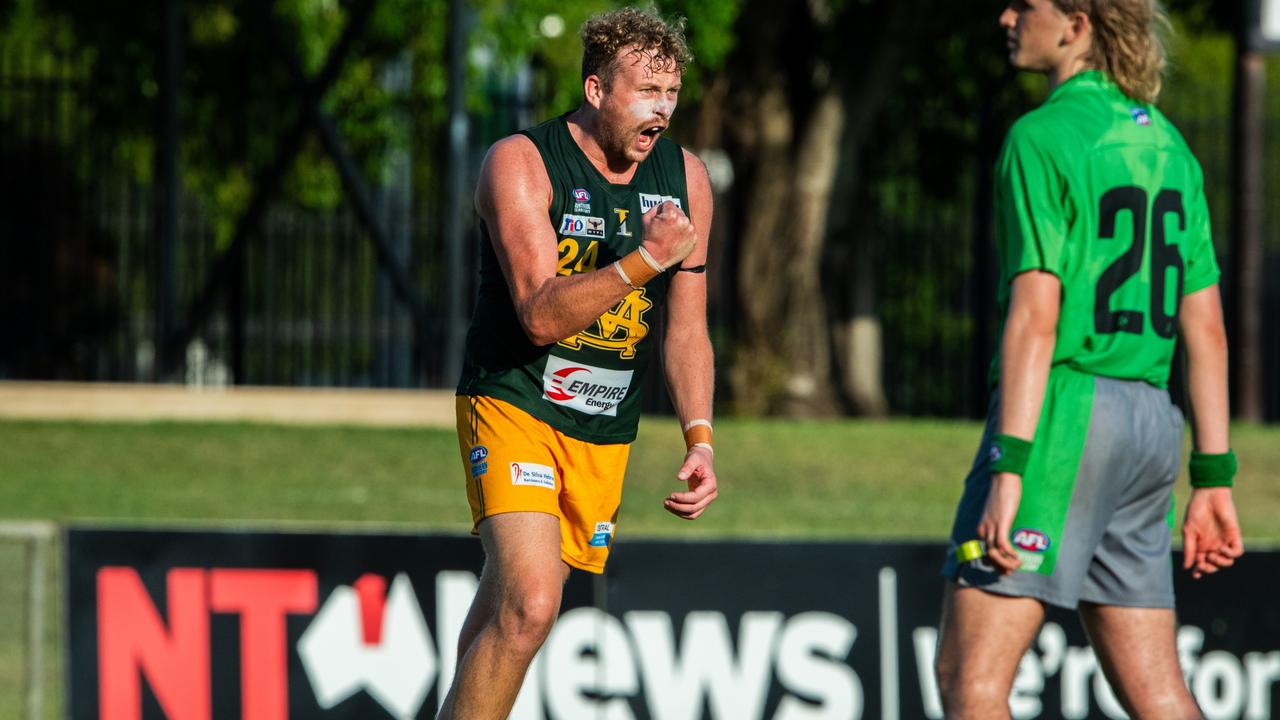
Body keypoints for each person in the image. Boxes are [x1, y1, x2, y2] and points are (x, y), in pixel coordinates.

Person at [935, 2, 1244, 718]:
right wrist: (1214, 476)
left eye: (1028, 5)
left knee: (970, 680)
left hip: (1065, 420)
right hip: (1150, 426)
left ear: (1077, 22)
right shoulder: (1169, 144)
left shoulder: (1041, 137)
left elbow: (1037, 314)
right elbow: (1208, 329)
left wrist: (1009, 464)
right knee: (1160, 694)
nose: (1006, 16)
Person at [438, 7, 717, 719]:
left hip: (601, 428)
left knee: (510, 607)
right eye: (645, 91)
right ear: (595, 90)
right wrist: (644, 260)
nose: (662, 109)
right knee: (532, 603)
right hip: (513, 399)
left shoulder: (686, 178)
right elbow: (536, 313)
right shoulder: (520, 161)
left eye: (672, 93)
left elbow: (686, 331)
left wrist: (700, 436)